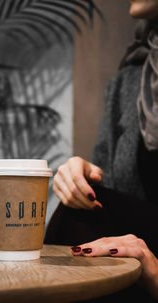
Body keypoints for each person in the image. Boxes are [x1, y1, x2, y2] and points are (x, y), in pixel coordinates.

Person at [45, 0, 158, 301]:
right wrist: (80, 180)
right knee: (79, 211)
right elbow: (108, 191)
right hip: (141, 246)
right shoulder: (131, 78)